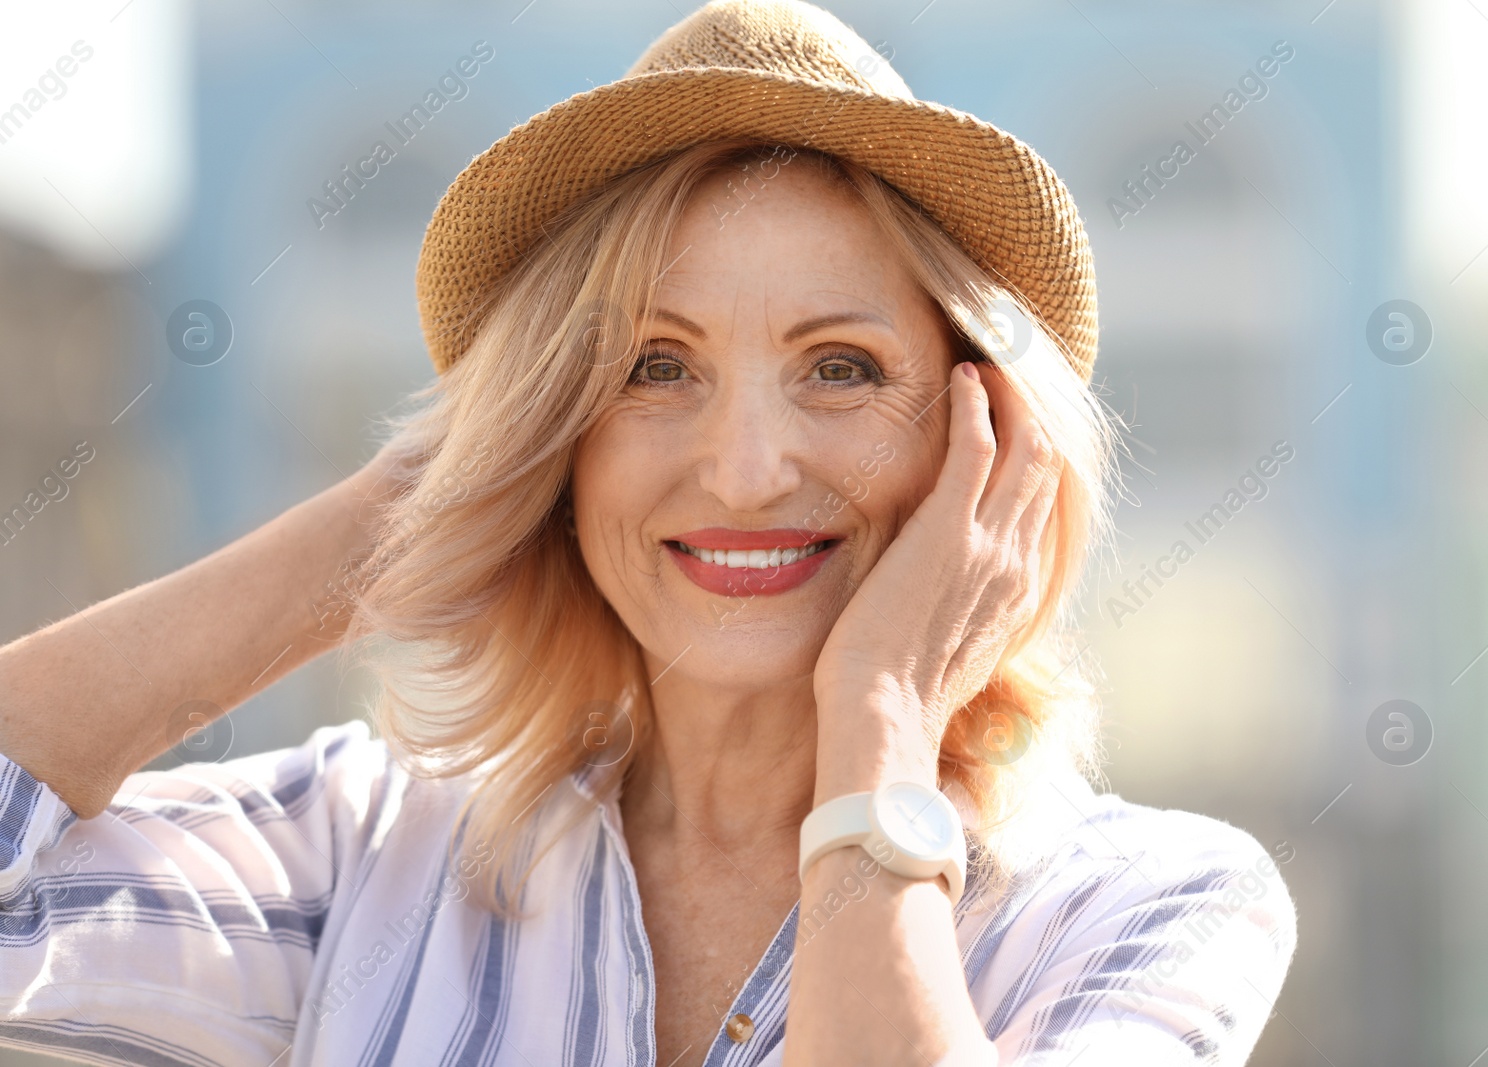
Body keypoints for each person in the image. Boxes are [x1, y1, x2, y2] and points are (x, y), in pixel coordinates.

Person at [0, 1, 1296, 1064]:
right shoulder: (368, 853)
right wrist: (404, 518)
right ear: (553, 437)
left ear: (989, 440)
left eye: (840, 368)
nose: (741, 473)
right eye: (647, 369)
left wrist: (882, 714)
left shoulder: (1148, 909)